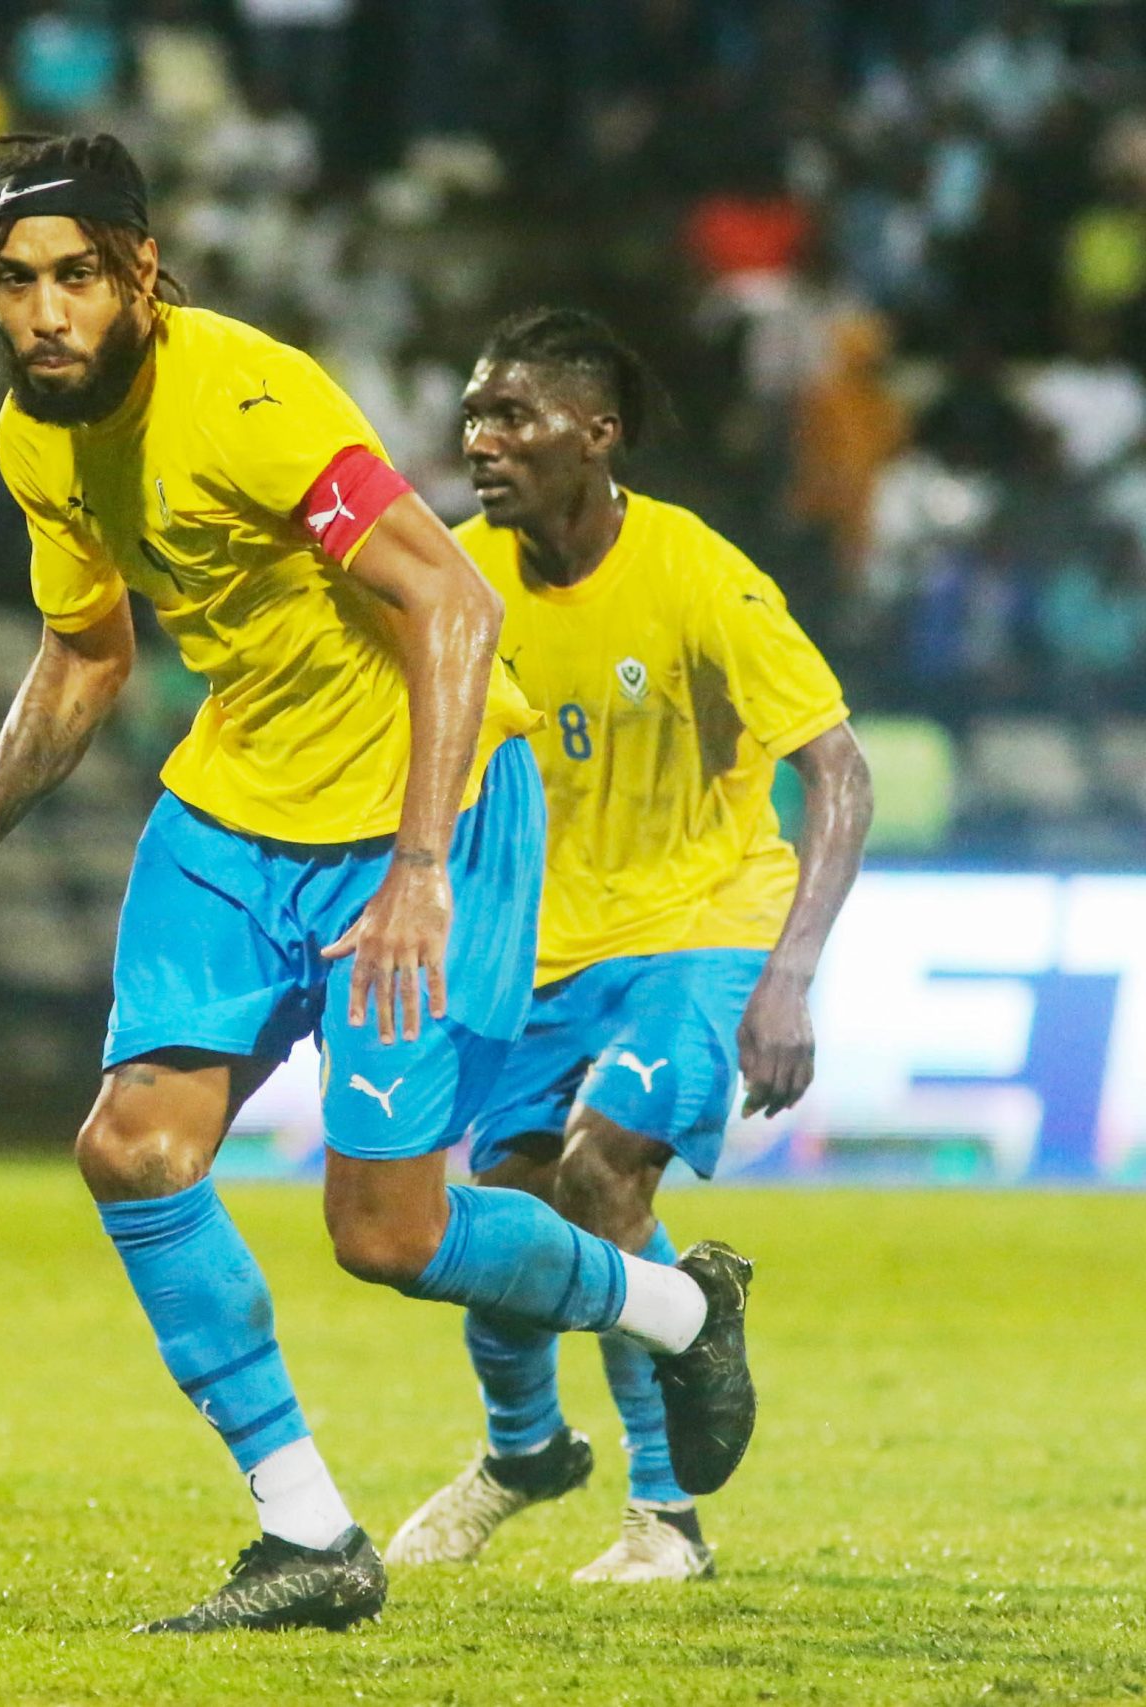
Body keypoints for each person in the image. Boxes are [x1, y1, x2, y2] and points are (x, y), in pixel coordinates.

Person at [0, 133, 759, 1635]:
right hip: (235, 816)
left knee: (389, 1235)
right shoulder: (37, 436)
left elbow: (454, 598)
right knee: (133, 1150)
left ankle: (679, 1309)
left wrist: (421, 867)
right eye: (16, 281)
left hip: (425, 815)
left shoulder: (249, 401)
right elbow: (88, 649)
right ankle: (306, 1532)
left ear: (140, 273)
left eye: (77, 277)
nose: (46, 313)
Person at [386, 309, 872, 1583]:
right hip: (535, 947)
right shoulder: (453, 577)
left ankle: (667, 1520)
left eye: (512, 415)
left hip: (701, 926)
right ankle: (524, 1453)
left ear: (596, 434)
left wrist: (787, 979)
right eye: (473, 415)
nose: (479, 440)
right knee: (499, 1226)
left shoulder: (696, 572)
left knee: (603, 1177)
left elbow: (837, 770)